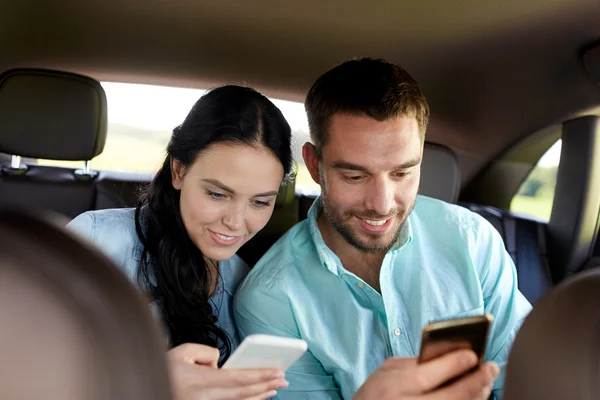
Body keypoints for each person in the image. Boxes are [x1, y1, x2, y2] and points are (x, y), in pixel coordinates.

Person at [233, 58, 532, 400]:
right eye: (355, 176)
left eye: (402, 173)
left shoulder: (472, 241)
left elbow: (526, 378)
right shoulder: (271, 299)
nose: (382, 204)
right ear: (315, 165)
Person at [67, 85, 293, 400]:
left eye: (259, 202)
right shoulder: (95, 243)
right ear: (179, 170)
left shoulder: (249, 289)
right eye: (217, 194)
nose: (236, 222)